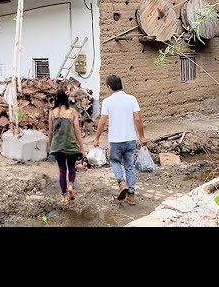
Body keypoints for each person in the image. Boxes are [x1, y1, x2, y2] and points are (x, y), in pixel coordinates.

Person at [93, 74, 146, 206]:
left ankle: (121, 182)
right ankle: (131, 196)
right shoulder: (132, 99)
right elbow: (138, 119)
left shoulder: (107, 102)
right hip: (130, 140)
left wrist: (97, 138)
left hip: (116, 140)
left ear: (109, 87)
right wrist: (142, 136)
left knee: (115, 162)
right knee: (130, 166)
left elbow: (103, 122)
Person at [48, 88, 86, 206]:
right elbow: (77, 131)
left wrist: (50, 146)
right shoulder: (73, 112)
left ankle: (64, 196)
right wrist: (82, 147)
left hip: (58, 146)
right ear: (66, 99)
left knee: (62, 170)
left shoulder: (52, 113)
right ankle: (70, 186)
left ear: (56, 100)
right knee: (71, 166)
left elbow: (50, 132)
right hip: (70, 145)